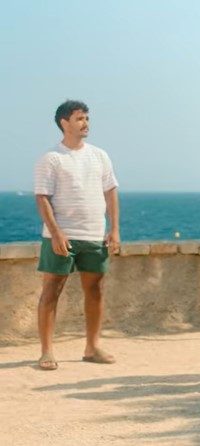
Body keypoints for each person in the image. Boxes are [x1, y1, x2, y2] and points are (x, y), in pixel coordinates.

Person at [34, 100, 120, 370]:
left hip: (94, 235)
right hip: (61, 237)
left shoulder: (100, 155)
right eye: (80, 119)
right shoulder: (51, 158)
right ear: (64, 123)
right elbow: (43, 198)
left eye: (87, 118)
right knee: (52, 290)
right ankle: (47, 351)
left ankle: (92, 347)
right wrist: (57, 233)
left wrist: (114, 229)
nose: (86, 124)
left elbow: (110, 192)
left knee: (95, 290)